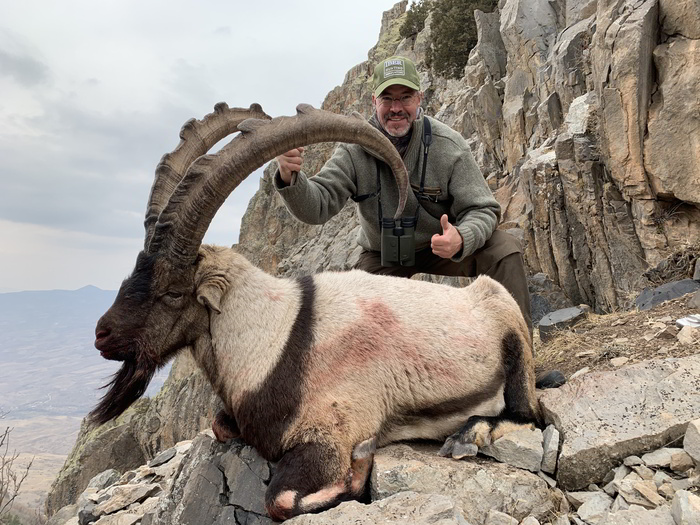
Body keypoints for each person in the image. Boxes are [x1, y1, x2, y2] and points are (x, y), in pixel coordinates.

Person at [274, 55, 533, 333]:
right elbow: (317, 207)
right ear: (374, 101)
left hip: (440, 247)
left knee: (504, 251)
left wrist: (461, 237)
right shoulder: (353, 150)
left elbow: (483, 209)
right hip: (386, 253)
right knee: (357, 313)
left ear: (419, 98)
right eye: (387, 98)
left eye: (405, 97)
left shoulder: (448, 145)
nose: (396, 108)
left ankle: (521, 361)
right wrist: (290, 177)